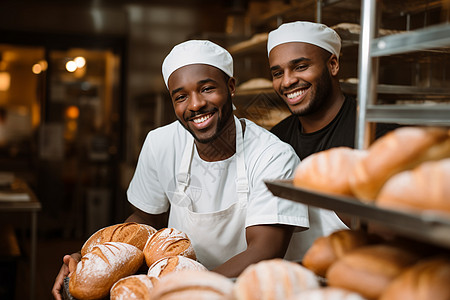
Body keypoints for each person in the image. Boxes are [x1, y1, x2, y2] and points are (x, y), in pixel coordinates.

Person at [52, 40, 346, 299]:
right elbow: (144, 219)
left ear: (231, 87)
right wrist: (89, 260)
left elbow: (264, 250)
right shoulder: (160, 143)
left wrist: (187, 290)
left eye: (207, 88)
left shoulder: (273, 155)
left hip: (245, 291)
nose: (195, 104)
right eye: (181, 96)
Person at [268, 21, 398, 160]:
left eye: (301, 67)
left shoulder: (376, 134)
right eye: (278, 74)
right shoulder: (275, 139)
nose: (287, 82)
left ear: (333, 65)